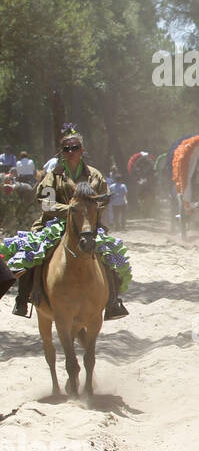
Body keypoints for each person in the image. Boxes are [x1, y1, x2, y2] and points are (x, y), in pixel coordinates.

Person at [11, 127, 128, 320]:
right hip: (54, 223)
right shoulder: (53, 176)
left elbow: (103, 199)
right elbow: (47, 204)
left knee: (109, 254)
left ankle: (113, 301)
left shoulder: (95, 176)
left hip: (87, 226)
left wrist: (88, 214)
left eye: (75, 147)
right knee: (32, 251)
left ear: (82, 150)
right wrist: (71, 211)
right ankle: (23, 298)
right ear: (61, 152)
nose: (71, 152)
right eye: (66, 149)